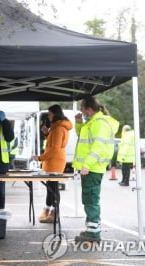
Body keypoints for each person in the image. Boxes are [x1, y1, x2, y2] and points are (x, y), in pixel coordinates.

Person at [72, 96, 119, 242]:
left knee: (91, 199)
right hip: (92, 168)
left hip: (92, 168)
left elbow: (97, 147)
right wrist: (79, 124)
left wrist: (87, 164)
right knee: (89, 199)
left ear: (89, 109)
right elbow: (84, 139)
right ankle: (91, 230)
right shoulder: (93, 122)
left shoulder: (99, 123)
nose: (81, 111)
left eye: (82, 108)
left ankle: (93, 233)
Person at [32, 105, 73, 223]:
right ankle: (47, 210)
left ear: (55, 114)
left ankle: (54, 213)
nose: (48, 116)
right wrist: (46, 134)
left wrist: (40, 158)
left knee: (53, 188)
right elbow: (53, 144)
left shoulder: (59, 128)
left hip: (55, 161)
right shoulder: (56, 128)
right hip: (53, 160)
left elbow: (54, 148)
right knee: (50, 187)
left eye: (50, 114)